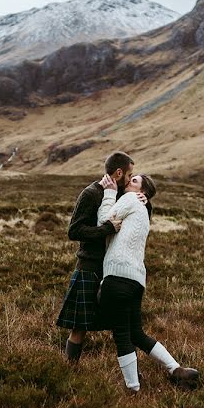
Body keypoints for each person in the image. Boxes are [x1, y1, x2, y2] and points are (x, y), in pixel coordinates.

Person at [97, 173, 199, 392]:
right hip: (136, 280)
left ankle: (133, 389)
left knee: (122, 335)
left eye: (135, 180)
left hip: (118, 275)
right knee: (136, 333)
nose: (129, 180)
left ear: (142, 191)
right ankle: (177, 370)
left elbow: (103, 222)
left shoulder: (131, 199)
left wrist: (109, 193)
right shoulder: (143, 208)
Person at [56, 151, 144, 362]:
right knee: (79, 328)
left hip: (112, 269)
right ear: (119, 172)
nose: (131, 178)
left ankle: (130, 372)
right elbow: (74, 231)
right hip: (89, 267)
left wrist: (144, 200)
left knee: (121, 325)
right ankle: (69, 369)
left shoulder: (122, 195)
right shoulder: (91, 193)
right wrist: (106, 229)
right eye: (129, 174)